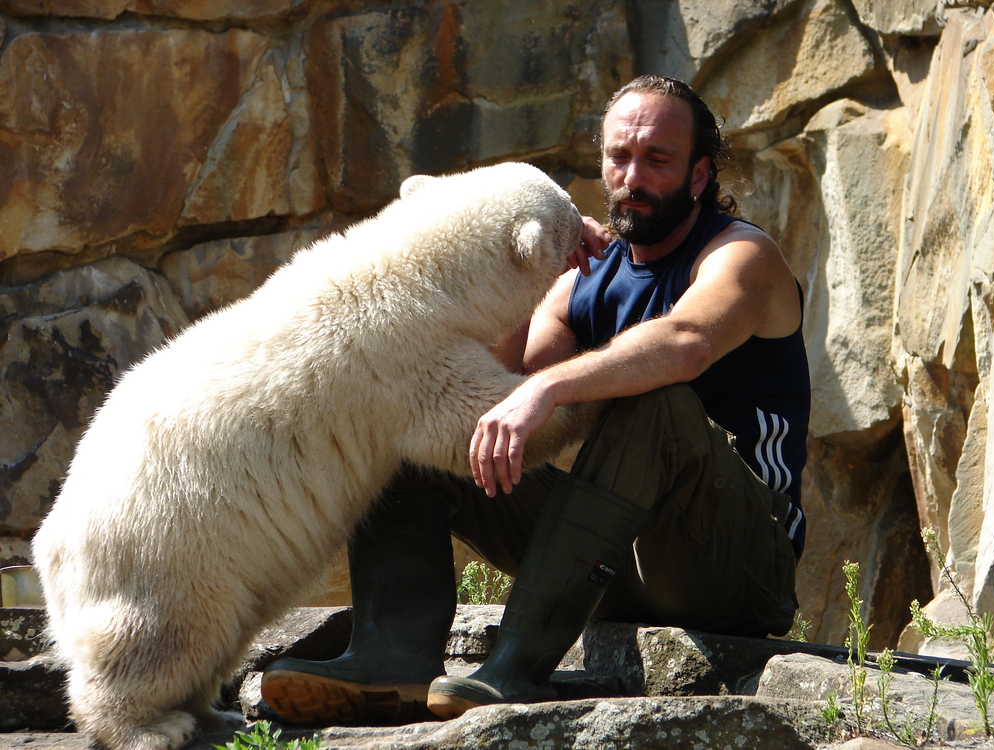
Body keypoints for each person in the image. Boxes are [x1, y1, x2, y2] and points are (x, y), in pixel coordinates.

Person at [259, 75, 809, 725]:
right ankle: (391, 658)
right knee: (415, 417)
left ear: (698, 175)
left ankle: (514, 666)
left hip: (734, 565)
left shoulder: (742, 255)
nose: (632, 176)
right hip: (618, 565)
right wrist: (538, 266)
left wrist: (549, 386)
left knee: (652, 399)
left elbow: (686, 343)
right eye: (619, 157)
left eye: (657, 160)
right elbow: (499, 394)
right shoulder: (585, 277)